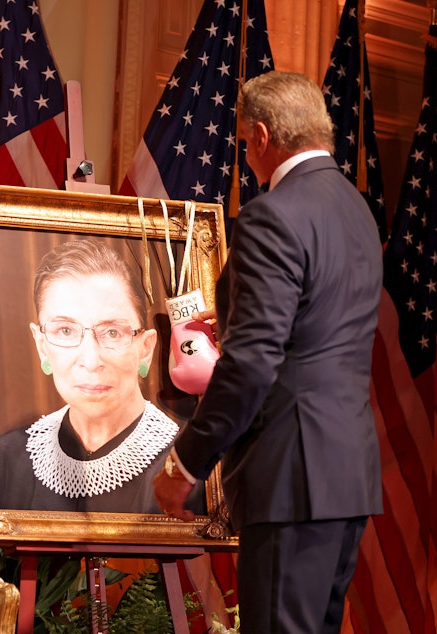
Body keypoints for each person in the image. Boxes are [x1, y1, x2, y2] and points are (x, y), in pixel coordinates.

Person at [153, 71, 383, 633]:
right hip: (345, 473)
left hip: (291, 478)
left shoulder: (271, 214)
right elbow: (315, 323)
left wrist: (185, 463)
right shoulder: (357, 210)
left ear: (258, 135)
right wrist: (233, 318)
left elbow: (254, 363)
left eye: (243, 144)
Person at [0, 239, 204, 514]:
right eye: (66, 331)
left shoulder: (193, 462)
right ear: (41, 345)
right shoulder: (6, 457)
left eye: (112, 332)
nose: (91, 361)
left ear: (146, 348)